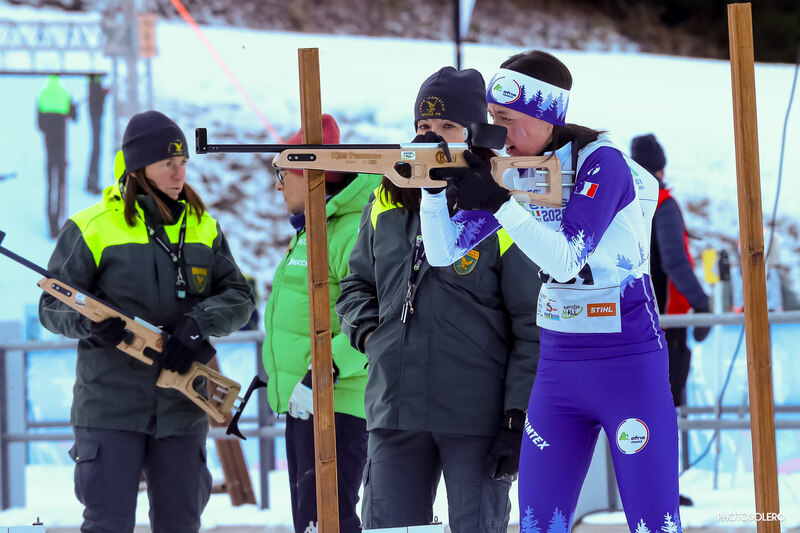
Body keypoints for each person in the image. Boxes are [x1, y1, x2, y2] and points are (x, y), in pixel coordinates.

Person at [419, 51, 682, 532]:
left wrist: (500, 204)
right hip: (558, 367)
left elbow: (567, 258)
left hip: (627, 365)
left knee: (654, 524)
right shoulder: (512, 166)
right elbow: (442, 252)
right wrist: (431, 189)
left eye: (507, 119)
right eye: (491, 117)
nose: (496, 132)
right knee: (539, 524)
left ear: (547, 118)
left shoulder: (602, 163)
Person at [336, 66, 541, 532]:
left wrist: (517, 414)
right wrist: (371, 336)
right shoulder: (385, 199)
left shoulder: (502, 206)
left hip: (476, 416)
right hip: (394, 407)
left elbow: (531, 323)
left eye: (448, 125)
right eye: (424, 125)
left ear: (475, 134)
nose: (432, 136)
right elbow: (355, 286)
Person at [39, 110, 256, 533]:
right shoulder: (90, 228)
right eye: (167, 163)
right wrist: (91, 324)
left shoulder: (204, 227)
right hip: (109, 407)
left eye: (183, 162)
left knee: (181, 525)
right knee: (107, 524)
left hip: (183, 406)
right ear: (139, 168)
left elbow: (240, 297)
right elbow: (52, 306)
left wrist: (197, 323)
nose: (180, 174)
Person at [261, 114, 380, 533]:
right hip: (308, 400)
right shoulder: (313, 230)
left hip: (336, 404)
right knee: (312, 523)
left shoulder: (348, 231)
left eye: (283, 175)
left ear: (310, 176)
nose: (279, 186)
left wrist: (325, 371)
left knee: (329, 522)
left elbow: (377, 316)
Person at [630, 133, 710, 509]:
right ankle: (662, 491)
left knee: (642, 410)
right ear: (661, 168)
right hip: (666, 325)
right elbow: (675, 262)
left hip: (635, 321)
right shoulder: (663, 204)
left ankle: (647, 488)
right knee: (665, 409)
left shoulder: (627, 205)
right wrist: (702, 304)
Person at [37, 74, 77, 238]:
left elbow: (39, 124)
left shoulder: (42, 94)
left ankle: (51, 224)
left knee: (50, 186)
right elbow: (74, 117)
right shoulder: (65, 94)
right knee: (61, 185)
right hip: (62, 148)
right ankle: (60, 222)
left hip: (50, 148)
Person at [86, 74, 110, 194]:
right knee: (96, 149)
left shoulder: (94, 82)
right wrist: (103, 93)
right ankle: (92, 182)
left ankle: (92, 182)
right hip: (96, 115)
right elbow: (96, 98)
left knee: (96, 149)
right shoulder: (94, 81)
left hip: (96, 114)